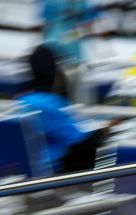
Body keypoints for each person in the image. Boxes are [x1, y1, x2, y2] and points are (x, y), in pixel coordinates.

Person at [21, 45, 111, 175]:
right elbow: (81, 141)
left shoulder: (25, 99)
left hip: (35, 165)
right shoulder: (48, 104)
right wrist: (106, 129)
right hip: (53, 168)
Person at [39, 0, 102, 74]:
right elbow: (46, 22)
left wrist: (100, 50)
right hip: (51, 49)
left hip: (74, 52)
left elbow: (90, 23)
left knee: (71, 81)